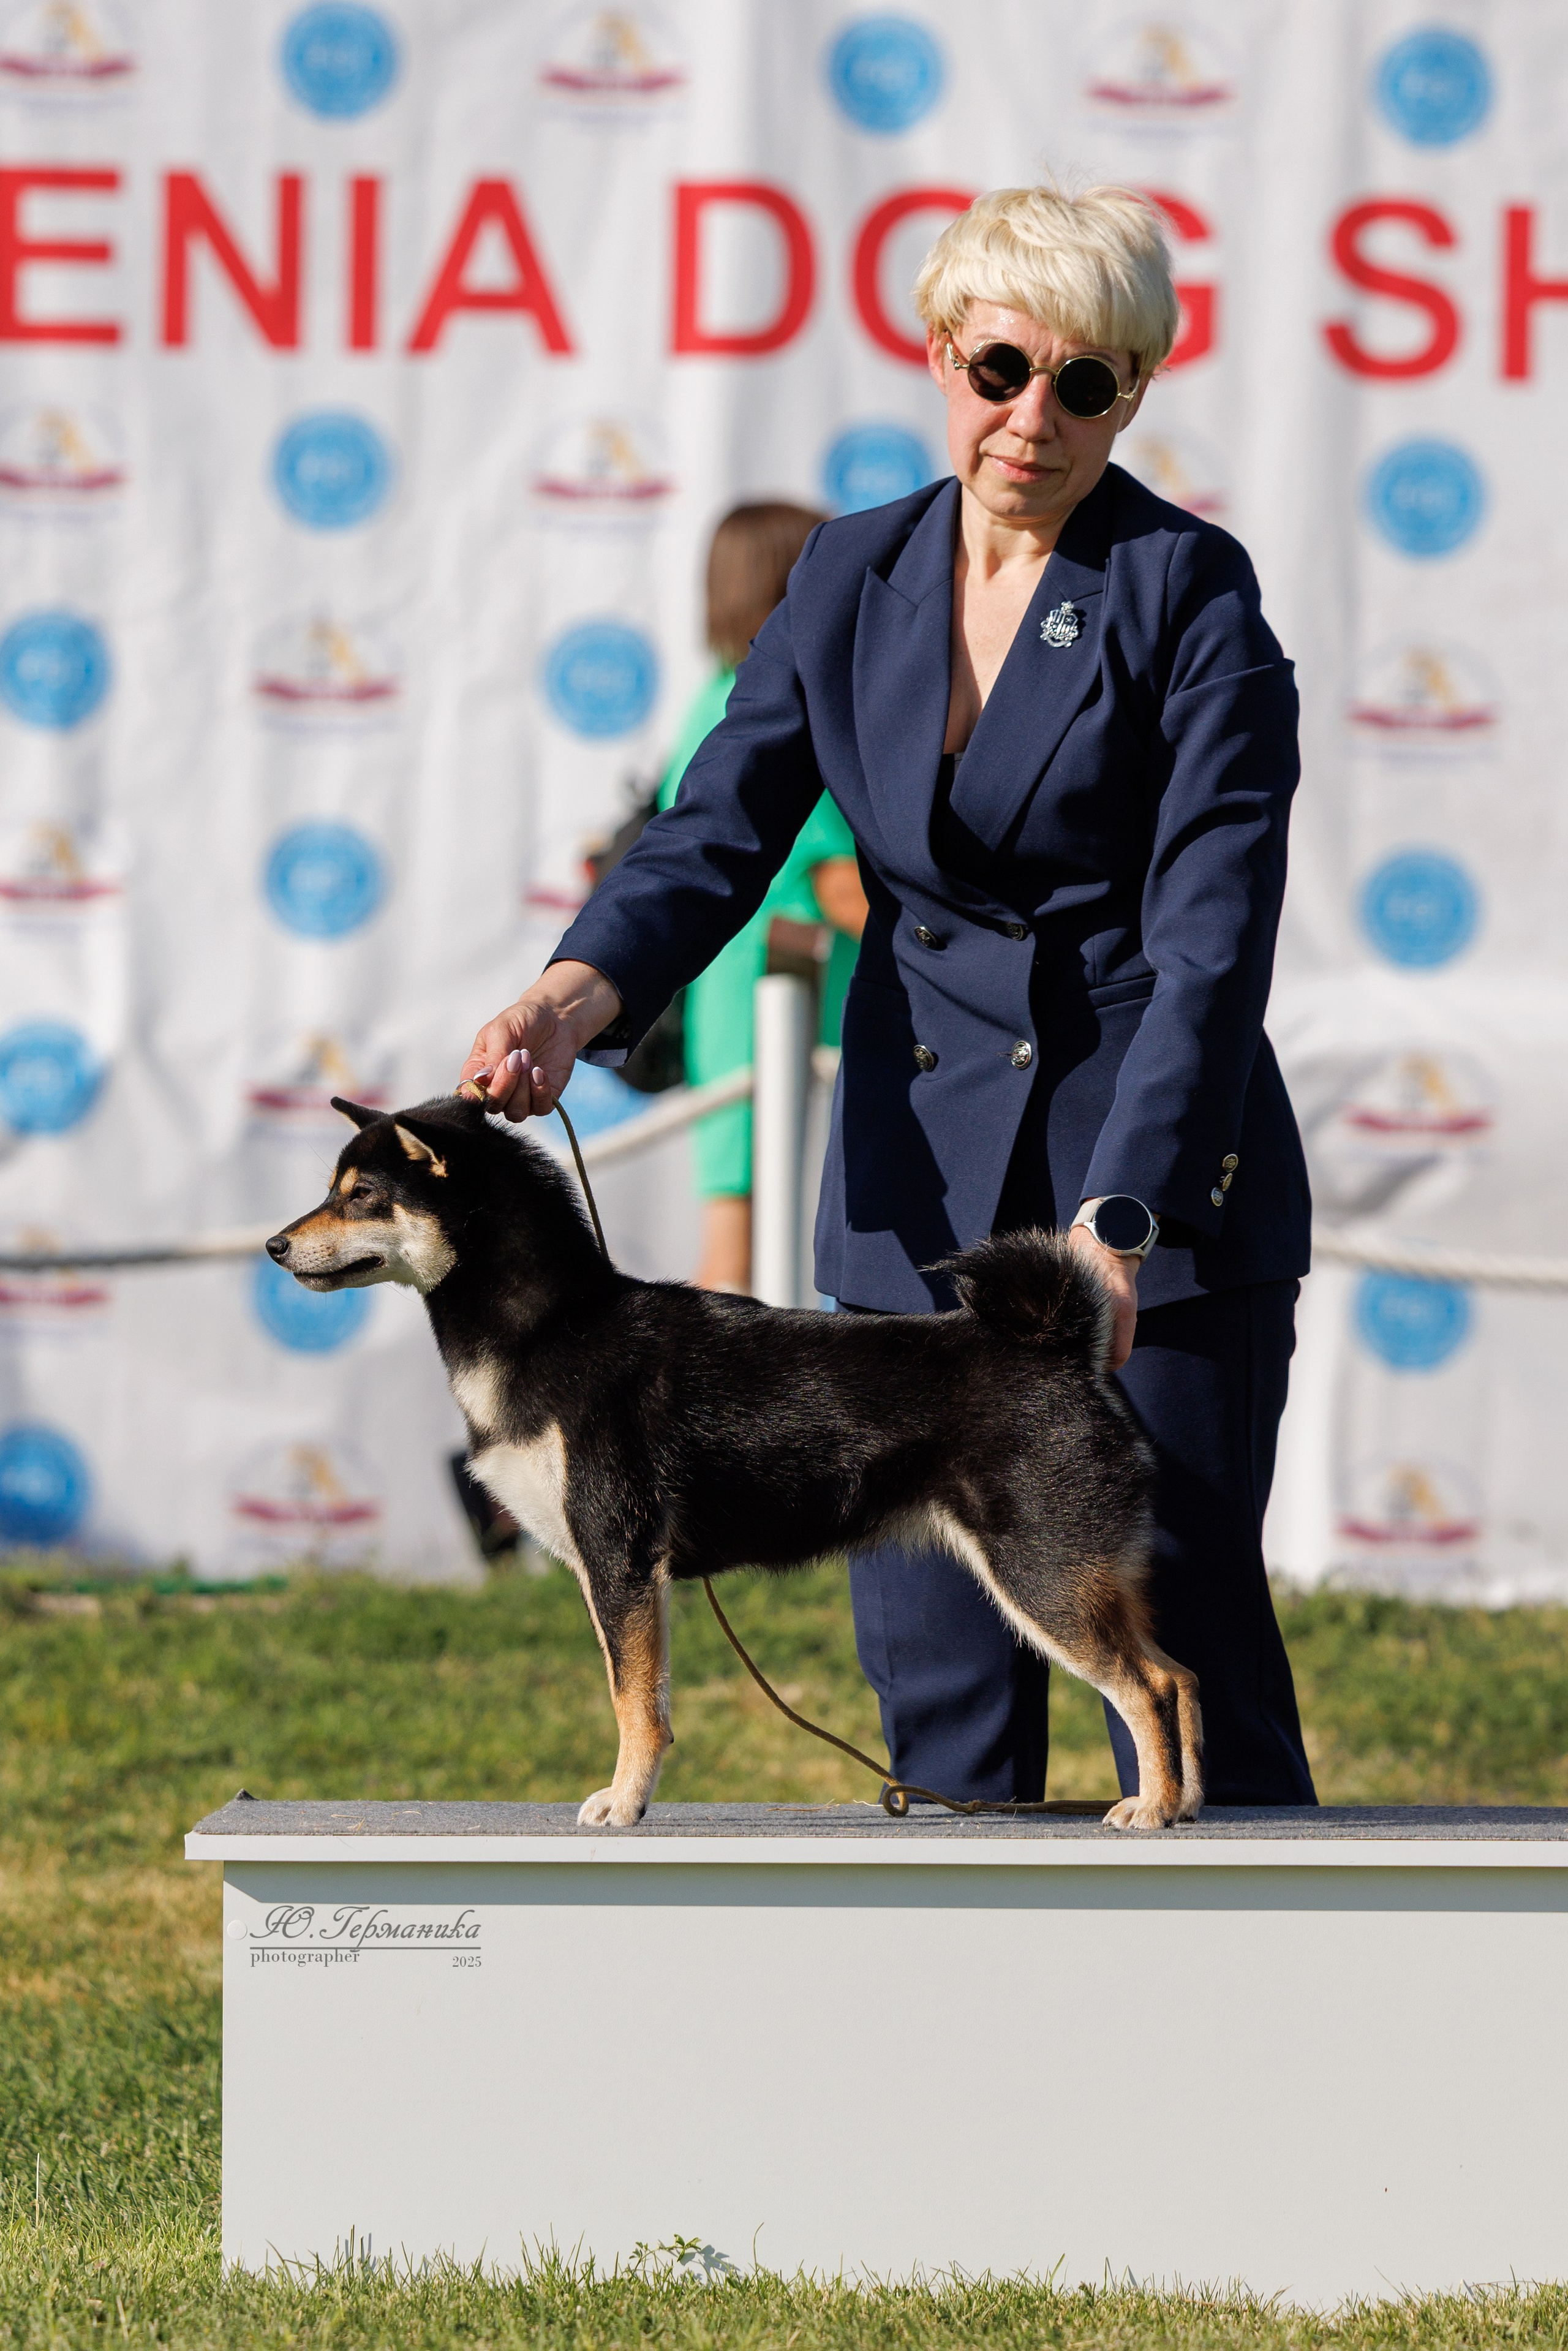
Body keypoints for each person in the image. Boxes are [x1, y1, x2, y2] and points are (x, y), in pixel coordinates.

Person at [461, 183, 1316, 1809]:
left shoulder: (1192, 592)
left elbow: (1210, 944)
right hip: (911, 1208)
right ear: (941, 353)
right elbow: (714, 830)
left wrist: (1123, 1213)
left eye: (1085, 383)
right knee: (937, 1691)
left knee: (1182, 1642)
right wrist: (573, 997)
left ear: (1133, 394)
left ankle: (1265, 1973)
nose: (1033, 417)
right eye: (1002, 368)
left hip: (1148, 1208)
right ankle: (966, 1983)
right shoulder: (849, 571)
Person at [658, 504, 867, 1291]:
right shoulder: (778, 712)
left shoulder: (713, 698)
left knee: (739, 1246)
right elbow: (839, 885)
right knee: (738, 1261)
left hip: (737, 1001)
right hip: (773, 1009)